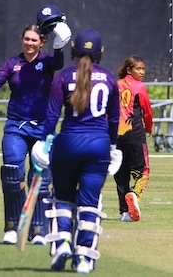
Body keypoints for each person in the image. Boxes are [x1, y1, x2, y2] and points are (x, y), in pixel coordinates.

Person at [0, 5, 72, 245]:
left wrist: (60, 42)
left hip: (42, 128)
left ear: (41, 42)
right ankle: (12, 227)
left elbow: (58, 62)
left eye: (34, 40)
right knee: (12, 175)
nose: (29, 43)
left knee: (41, 179)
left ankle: (39, 230)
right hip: (16, 126)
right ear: (22, 40)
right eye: (26, 39)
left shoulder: (47, 62)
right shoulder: (11, 63)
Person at [31, 28, 121, 274]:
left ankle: (62, 244)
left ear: (73, 50)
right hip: (98, 145)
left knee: (63, 198)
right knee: (89, 203)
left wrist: (42, 141)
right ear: (100, 53)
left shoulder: (63, 77)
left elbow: (51, 116)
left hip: (68, 143)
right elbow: (114, 119)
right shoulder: (109, 79)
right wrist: (113, 147)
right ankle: (83, 258)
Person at [114, 55, 153, 222]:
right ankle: (134, 196)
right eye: (138, 68)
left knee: (121, 173)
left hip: (116, 135)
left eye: (143, 69)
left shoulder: (115, 85)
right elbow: (147, 111)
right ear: (129, 70)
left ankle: (125, 211)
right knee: (143, 170)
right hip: (135, 135)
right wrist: (149, 127)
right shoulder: (139, 87)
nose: (142, 72)